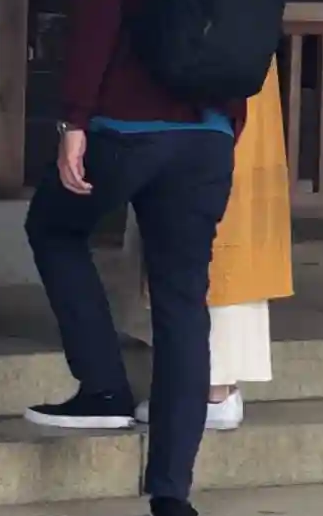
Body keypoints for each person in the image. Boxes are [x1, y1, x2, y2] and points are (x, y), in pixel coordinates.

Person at [24, 0, 244, 516]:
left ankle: (104, 386)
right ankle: (173, 497)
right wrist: (228, 122)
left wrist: (74, 118)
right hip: (209, 130)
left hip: (127, 122)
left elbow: (98, 7)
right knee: (184, 302)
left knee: (54, 229)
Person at [118, 56, 293, 431]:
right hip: (230, 64)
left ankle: (209, 387)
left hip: (209, 74)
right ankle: (204, 383)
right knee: (212, 220)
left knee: (212, 225)